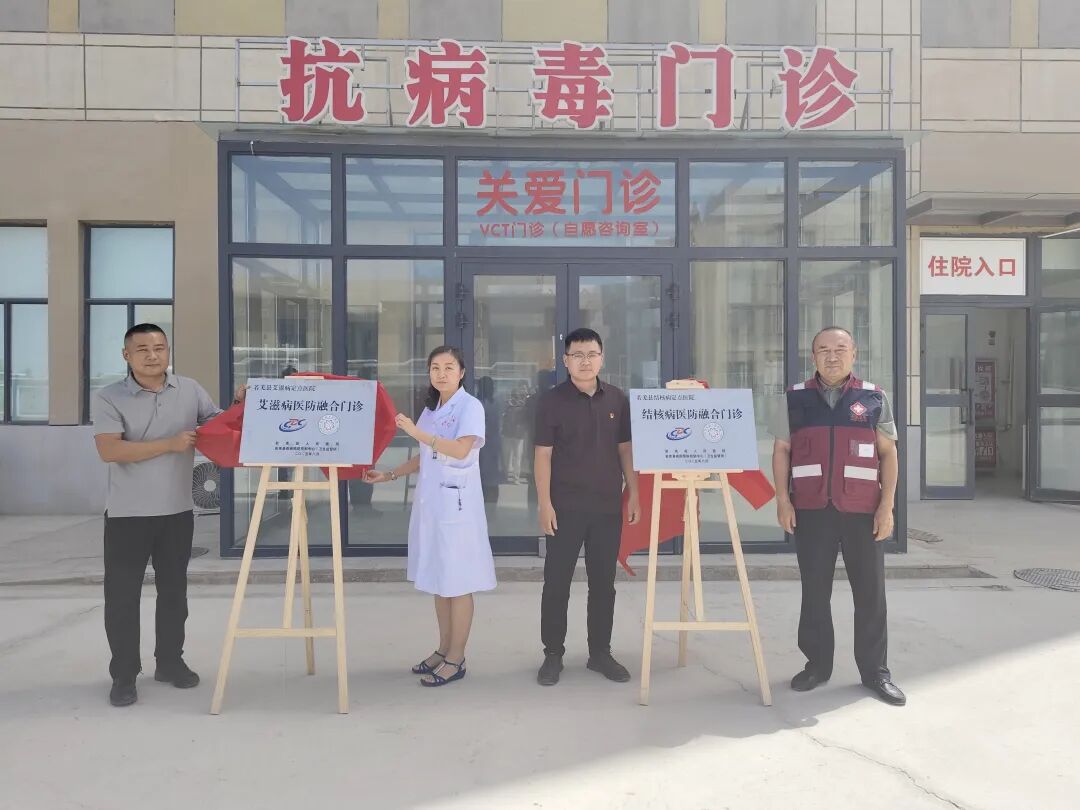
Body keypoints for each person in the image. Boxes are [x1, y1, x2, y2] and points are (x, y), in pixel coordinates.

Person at [92, 323, 245, 707]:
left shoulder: (189, 389)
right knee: (122, 597)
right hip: (128, 514)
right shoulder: (109, 397)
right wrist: (170, 444)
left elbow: (217, 425)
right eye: (142, 349)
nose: (152, 355)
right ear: (127, 355)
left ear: (168, 351)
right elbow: (110, 450)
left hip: (177, 511)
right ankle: (124, 674)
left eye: (159, 347)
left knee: (174, 592)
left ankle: (170, 662)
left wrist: (239, 404)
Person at [771, 326, 906, 706]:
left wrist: (887, 506)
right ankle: (817, 665)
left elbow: (888, 453)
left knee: (870, 594)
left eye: (840, 349)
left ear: (854, 353)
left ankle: (875, 672)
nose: (832, 356)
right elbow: (781, 451)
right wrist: (782, 500)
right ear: (813, 355)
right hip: (812, 510)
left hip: (863, 511)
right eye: (824, 350)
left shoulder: (874, 397)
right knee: (815, 591)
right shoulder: (795, 398)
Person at [364, 346, 496, 686]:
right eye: (435, 367)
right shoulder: (432, 409)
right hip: (433, 507)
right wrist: (389, 474)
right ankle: (443, 648)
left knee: (459, 583)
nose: (441, 373)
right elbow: (424, 455)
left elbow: (460, 449)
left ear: (462, 372)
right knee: (440, 581)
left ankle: (457, 657)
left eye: (449, 367)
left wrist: (416, 432)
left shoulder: (470, 407)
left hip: (458, 508)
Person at [533, 328, 640, 686]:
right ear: (565, 361)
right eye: (577, 355)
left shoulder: (617, 399)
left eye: (591, 354)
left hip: (607, 508)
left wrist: (634, 493)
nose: (585, 361)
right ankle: (553, 654)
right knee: (556, 583)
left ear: (602, 358)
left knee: (603, 584)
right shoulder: (552, 401)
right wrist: (544, 503)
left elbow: (625, 449)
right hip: (564, 507)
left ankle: (600, 653)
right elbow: (543, 455)